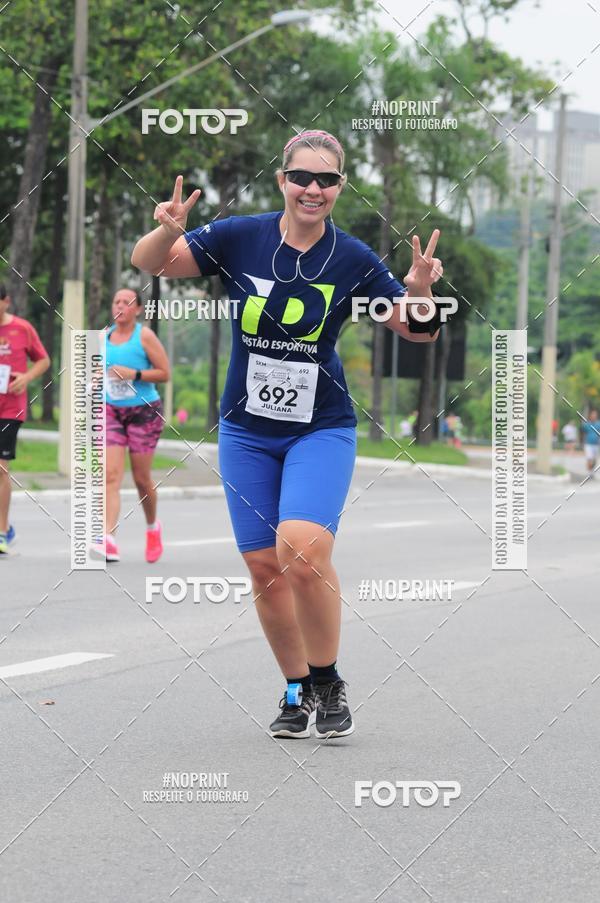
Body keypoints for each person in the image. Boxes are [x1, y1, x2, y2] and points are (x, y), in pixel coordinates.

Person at [131, 129, 444, 739]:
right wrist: (169, 226)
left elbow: (417, 331)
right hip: (246, 431)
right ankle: (296, 689)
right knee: (263, 566)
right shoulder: (238, 236)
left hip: (319, 429)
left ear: (340, 188)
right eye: (302, 176)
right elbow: (150, 263)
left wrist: (423, 290)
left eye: (327, 180)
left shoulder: (351, 257)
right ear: (283, 180)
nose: (313, 189)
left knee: (300, 547)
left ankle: (326, 679)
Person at [104, 288, 170, 562]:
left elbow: (164, 373)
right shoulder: (103, 337)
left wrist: (135, 374)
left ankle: (153, 527)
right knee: (110, 475)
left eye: (127, 302)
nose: (120, 305)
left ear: (138, 310)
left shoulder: (144, 336)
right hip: (111, 411)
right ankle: (107, 538)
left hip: (144, 411)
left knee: (141, 479)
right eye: (116, 301)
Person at [0, 284, 50, 554]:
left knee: (1, 469)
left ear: (6, 301)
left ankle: (2, 532)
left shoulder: (22, 329)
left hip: (9, 408)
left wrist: (27, 378)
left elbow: (43, 360)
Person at [581, 409, 600, 479]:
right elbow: (583, 433)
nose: (593, 416)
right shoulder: (587, 424)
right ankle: (589, 473)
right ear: (590, 416)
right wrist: (582, 442)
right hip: (588, 444)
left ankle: (591, 471)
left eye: (595, 415)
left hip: (596, 444)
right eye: (592, 415)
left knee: (594, 460)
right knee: (589, 459)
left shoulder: (598, 424)